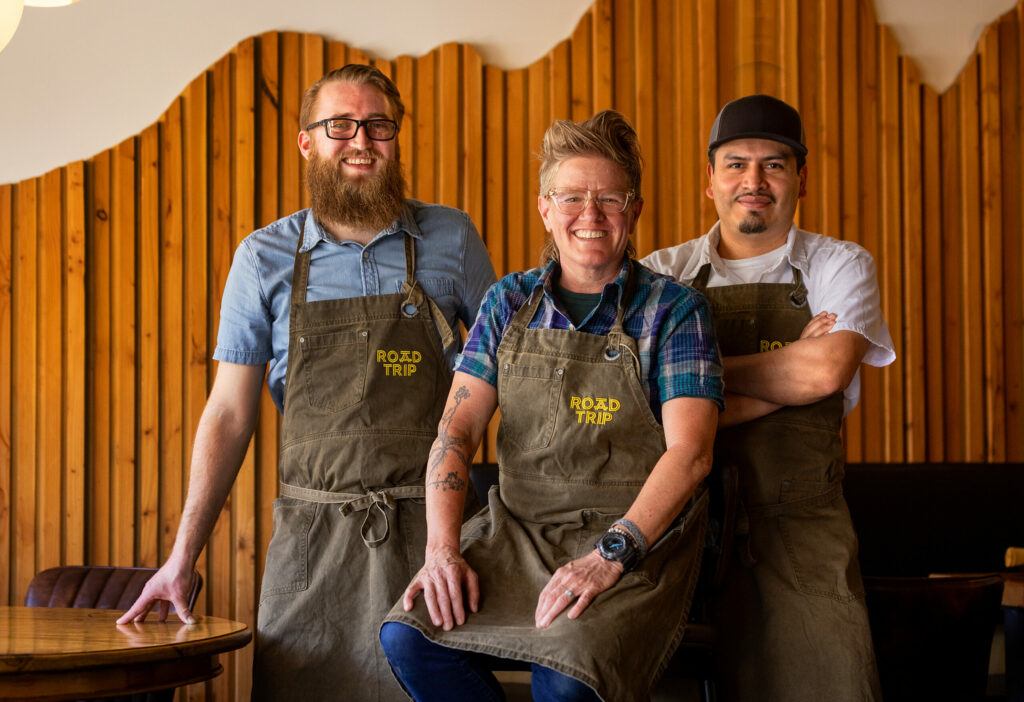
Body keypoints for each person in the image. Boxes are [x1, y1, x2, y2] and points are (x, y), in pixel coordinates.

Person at [117, 64, 497, 701]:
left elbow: (502, 381)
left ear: (396, 137)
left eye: (378, 126)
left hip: (430, 541)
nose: (360, 141)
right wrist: (183, 555)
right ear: (307, 142)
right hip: (309, 549)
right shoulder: (262, 257)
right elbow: (229, 416)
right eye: (339, 125)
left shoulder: (451, 238)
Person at [379, 110, 724, 702]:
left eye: (609, 198)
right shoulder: (507, 301)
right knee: (410, 638)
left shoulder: (675, 310)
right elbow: (457, 429)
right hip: (518, 534)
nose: (589, 215)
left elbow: (690, 454)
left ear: (634, 210)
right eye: (570, 197)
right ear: (545, 208)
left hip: (634, 540)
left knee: (568, 675)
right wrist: (441, 551)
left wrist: (610, 555)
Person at [642, 94, 895, 701]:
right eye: (736, 164)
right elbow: (637, 398)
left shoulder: (841, 264)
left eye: (773, 164)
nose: (753, 181)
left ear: (800, 178)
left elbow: (827, 372)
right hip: (676, 524)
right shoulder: (661, 274)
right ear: (710, 180)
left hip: (802, 531)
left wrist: (694, 377)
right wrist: (787, 383)